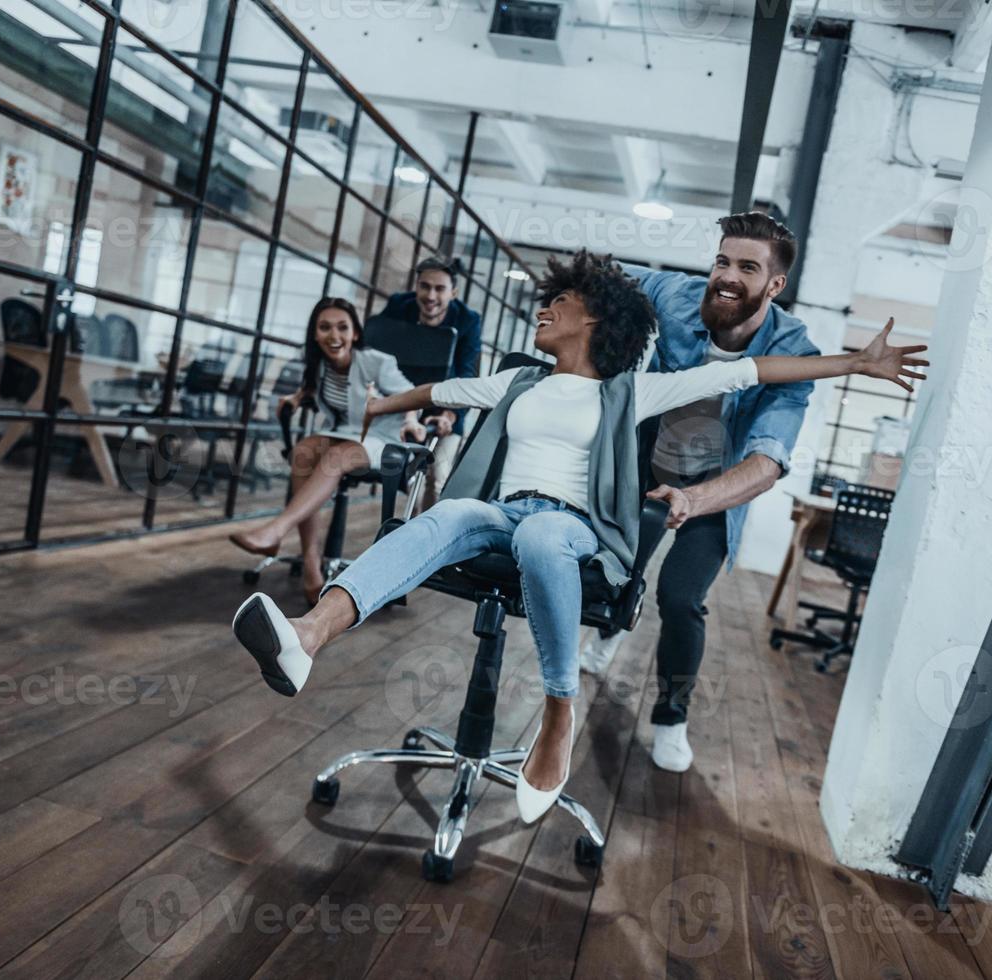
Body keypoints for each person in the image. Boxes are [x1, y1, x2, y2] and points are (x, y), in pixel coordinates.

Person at [230, 251, 926, 823]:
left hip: (573, 529)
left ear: (591, 318)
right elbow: (439, 392)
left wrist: (853, 365)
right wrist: (377, 405)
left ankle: (558, 712)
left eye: (556, 304)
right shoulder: (517, 381)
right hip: (501, 512)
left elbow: (751, 370)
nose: (543, 309)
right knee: (445, 516)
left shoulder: (629, 391)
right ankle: (308, 638)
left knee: (540, 538)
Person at [577, 211, 826, 774]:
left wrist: (696, 501)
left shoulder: (795, 353)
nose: (728, 276)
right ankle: (609, 634)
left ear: (775, 284)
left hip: (716, 489)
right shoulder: (678, 295)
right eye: (722, 260)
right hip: (650, 462)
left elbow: (766, 463)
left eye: (747, 267)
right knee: (619, 572)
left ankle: (671, 716)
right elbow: (602, 274)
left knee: (681, 598)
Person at [227, 297, 426, 606]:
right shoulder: (319, 364)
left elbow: (413, 396)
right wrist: (296, 397)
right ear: (315, 334)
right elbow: (323, 390)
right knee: (304, 450)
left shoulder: (377, 362)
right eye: (325, 328)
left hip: (383, 436)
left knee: (335, 457)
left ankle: (276, 530)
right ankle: (311, 564)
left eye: (342, 328)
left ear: (355, 333)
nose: (334, 336)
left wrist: (413, 422)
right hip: (344, 432)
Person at [375, 256, 483, 508]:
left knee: (436, 478)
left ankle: (427, 533)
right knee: (408, 477)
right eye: (425, 286)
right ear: (416, 286)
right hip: (404, 403)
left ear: (453, 292)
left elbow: (467, 372)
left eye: (440, 288)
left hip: (447, 406)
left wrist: (450, 415)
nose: (430, 295)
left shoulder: (468, 320)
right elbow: (377, 352)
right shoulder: (399, 307)